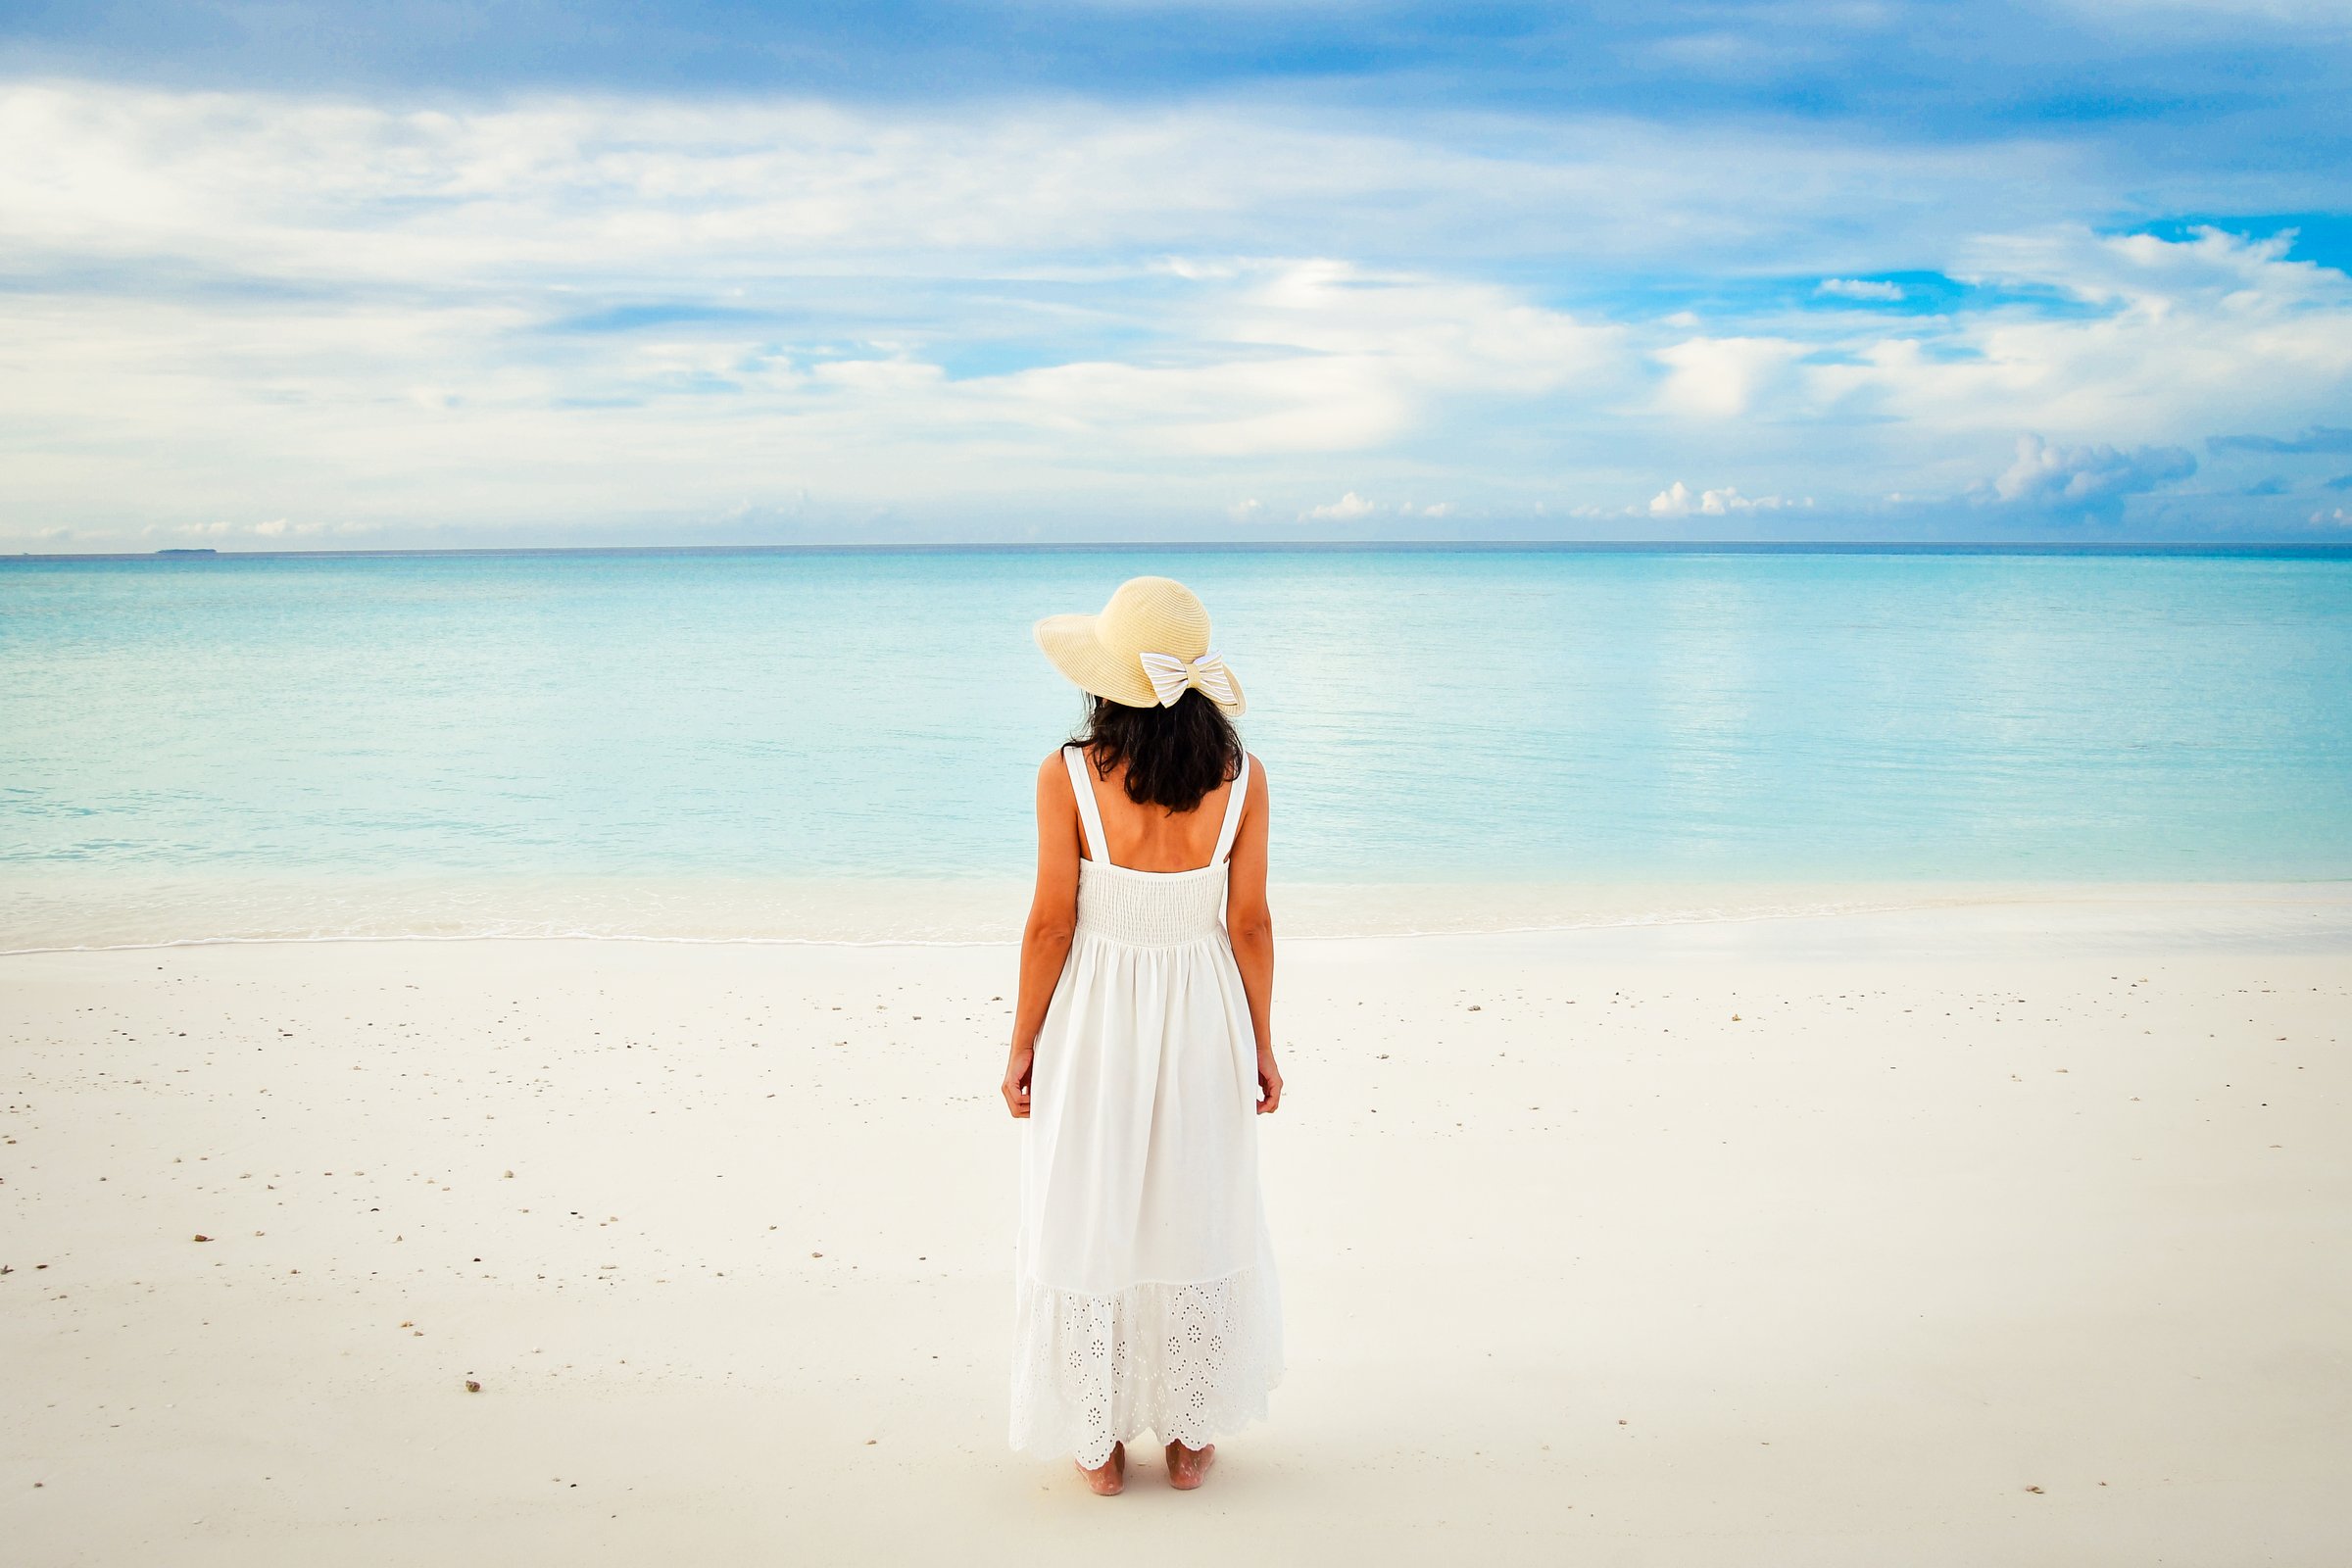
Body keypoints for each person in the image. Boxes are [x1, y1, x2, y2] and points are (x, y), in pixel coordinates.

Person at [1001, 575, 1286, 1495]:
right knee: (1195, 1199)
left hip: (1096, 1015)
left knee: (1090, 1201)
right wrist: (1264, 1040)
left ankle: (1097, 1443)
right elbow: (1250, 924)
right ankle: (1191, 1438)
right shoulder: (1242, 779)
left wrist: (1021, 1044)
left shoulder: (1068, 774)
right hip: (1203, 1011)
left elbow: (1051, 923)